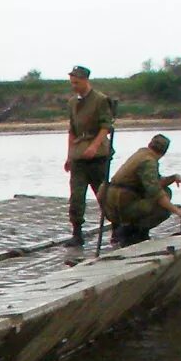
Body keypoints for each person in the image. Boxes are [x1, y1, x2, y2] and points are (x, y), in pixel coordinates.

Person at [104, 133, 181, 244]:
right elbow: (156, 192)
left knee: (164, 192)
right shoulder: (149, 161)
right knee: (164, 202)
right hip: (121, 204)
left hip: (112, 202)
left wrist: (174, 177)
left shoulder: (142, 154)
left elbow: (154, 181)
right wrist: (178, 211)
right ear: (164, 152)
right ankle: (132, 232)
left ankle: (126, 230)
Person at [65, 64, 116, 247]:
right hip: (79, 156)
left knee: (103, 195)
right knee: (76, 196)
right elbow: (72, 130)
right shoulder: (72, 102)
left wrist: (94, 147)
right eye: (72, 82)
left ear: (86, 80)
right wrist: (69, 156)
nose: (74, 86)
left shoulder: (100, 100)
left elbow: (106, 127)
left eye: (77, 82)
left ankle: (116, 228)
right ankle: (77, 232)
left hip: (98, 156)